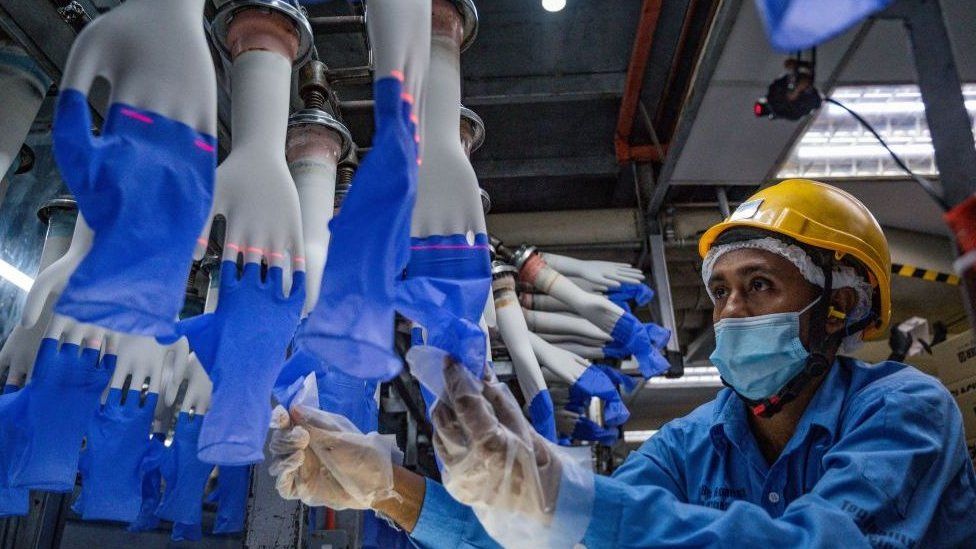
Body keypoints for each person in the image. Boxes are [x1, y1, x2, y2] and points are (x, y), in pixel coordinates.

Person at [267, 179, 976, 548]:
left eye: (760, 285)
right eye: (722, 290)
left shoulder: (906, 409)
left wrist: (560, 497)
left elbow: (828, 543)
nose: (729, 311)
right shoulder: (693, 442)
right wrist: (386, 486)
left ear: (840, 303)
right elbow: (554, 538)